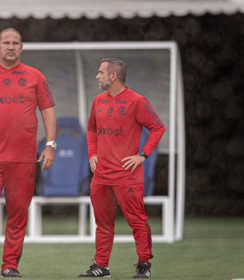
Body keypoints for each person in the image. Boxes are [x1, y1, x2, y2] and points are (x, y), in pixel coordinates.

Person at [0, 27, 56, 278]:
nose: (11, 47)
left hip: (24, 158)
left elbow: (47, 111)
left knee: (18, 210)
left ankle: (10, 264)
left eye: (16, 43)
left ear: (22, 47)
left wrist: (50, 145)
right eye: (6, 42)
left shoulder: (35, 76)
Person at [79, 58, 165, 278]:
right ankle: (101, 265)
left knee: (137, 221)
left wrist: (143, 155)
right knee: (103, 223)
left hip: (127, 176)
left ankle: (144, 264)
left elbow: (158, 128)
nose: (97, 76)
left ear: (113, 76)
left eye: (100, 72)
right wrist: (92, 153)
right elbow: (91, 129)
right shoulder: (98, 101)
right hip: (101, 176)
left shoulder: (137, 101)